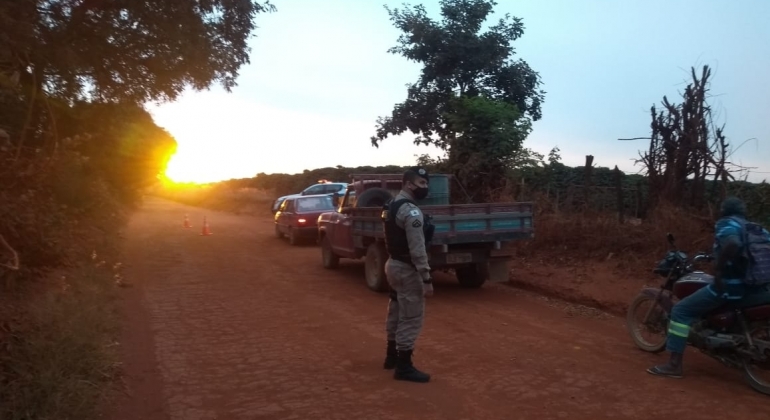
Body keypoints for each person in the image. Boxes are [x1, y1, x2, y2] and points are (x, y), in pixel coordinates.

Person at [647, 196, 770, 378]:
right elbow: (744, 253)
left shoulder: (726, 224)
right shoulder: (755, 228)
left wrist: (719, 270)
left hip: (732, 287)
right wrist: (717, 256)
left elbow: (733, 244)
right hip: (757, 286)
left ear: (724, 210)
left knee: (681, 311)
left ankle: (674, 365)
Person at [381, 166, 434, 383]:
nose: (425, 188)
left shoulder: (392, 204)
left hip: (393, 264)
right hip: (407, 269)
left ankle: (391, 357)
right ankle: (404, 366)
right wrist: (426, 277)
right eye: (421, 184)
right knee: (411, 316)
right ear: (408, 184)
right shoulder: (411, 211)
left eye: (426, 184)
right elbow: (417, 248)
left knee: (395, 310)